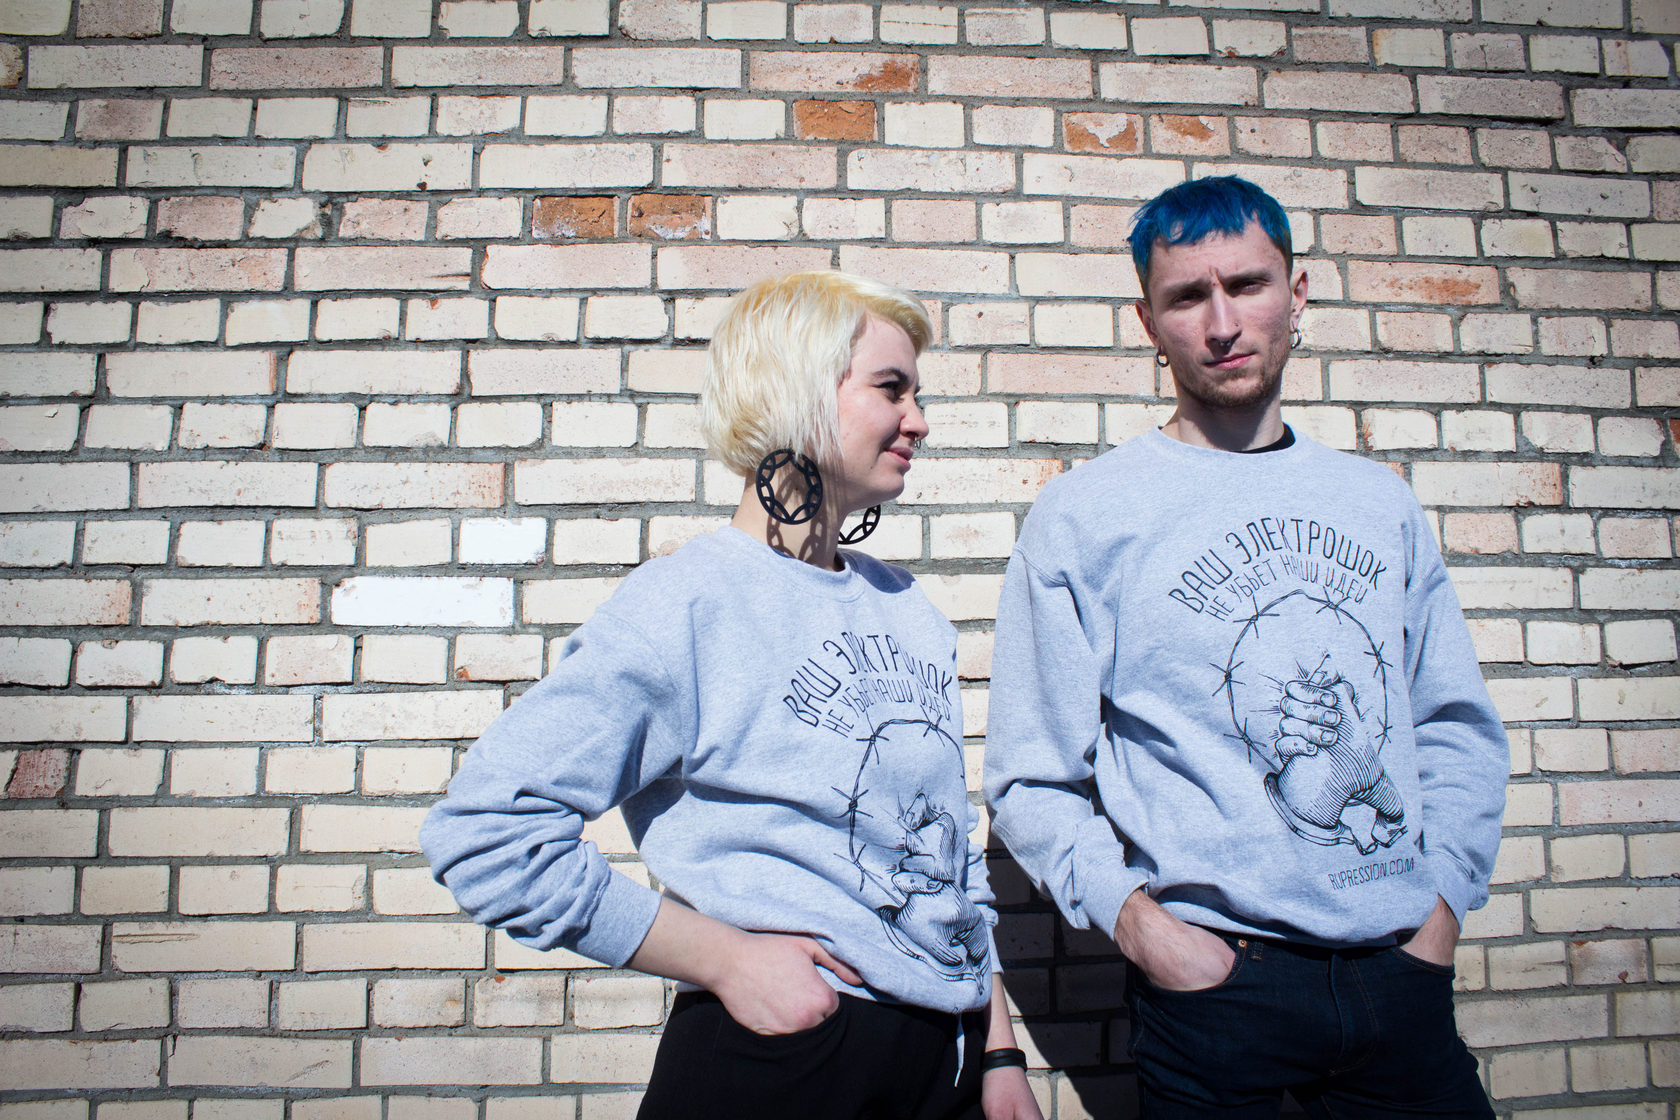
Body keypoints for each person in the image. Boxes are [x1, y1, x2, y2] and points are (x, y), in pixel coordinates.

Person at [422, 271, 1042, 1120]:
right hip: (791, 1059)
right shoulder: (689, 603)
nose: (919, 420)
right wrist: (726, 959)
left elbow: (949, 861)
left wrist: (998, 1051)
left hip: (951, 1066)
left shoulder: (907, 607)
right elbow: (486, 832)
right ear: (797, 392)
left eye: (917, 394)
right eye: (891, 389)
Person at [983, 177, 1506, 1118]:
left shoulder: (1377, 502)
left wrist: (1443, 908)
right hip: (1217, 996)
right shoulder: (1087, 515)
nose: (1222, 324)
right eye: (1189, 297)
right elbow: (1031, 776)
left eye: (1248, 286)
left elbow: (1454, 724)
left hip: (1401, 973)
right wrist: (1146, 932)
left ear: (1296, 294)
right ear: (1148, 323)